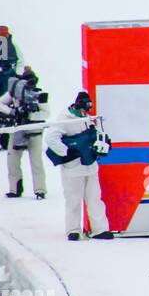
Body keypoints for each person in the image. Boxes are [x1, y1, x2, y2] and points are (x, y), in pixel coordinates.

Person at [43, 91, 112, 241]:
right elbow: (50, 138)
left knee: (95, 197)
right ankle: (73, 229)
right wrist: (67, 152)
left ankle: (99, 229)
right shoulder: (64, 120)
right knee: (73, 199)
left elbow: (96, 133)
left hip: (90, 165)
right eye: (84, 109)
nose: (86, 112)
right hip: (73, 167)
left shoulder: (87, 118)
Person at [0, 66, 47, 199]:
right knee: (12, 161)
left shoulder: (39, 94)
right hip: (17, 130)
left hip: (35, 132)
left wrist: (31, 114)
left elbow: (46, 112)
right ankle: (14, 188)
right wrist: (13, 112)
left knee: (36, 162)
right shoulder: (14, 93)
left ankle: (40, 190)